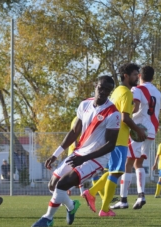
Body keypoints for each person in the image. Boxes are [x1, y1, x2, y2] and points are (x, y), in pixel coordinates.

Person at [32, 76, 120, 227]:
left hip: (96, 159)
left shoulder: (113, 113)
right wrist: (55, 154)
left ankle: (47, 219)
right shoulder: (84, 104)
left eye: (107, 90)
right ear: (95, 85)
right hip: (79, 153)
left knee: (63, 184)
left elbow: (110, 145)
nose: (104, 91)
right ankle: (72, 206)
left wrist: (85, 158)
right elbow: (74, 132)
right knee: (52, 185)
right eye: (101, 87)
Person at [83, 63, 146, 216]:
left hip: (112, 137)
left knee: (113, 171)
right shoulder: (126, 92)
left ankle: (95, 197)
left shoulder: (117, 91)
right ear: (126, 76)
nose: (137, 77)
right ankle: (100, 204)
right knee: (116, 172)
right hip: (119, 138)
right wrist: (138, 130)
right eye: (134, 74)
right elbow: (124, 117)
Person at [112, 65, 161, 210]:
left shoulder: (137, 90)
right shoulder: (157, 92)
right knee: (138, 164)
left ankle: (124, 199)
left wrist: (127, 114)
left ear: (140, 76)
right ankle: (141, 195)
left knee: (127, 164)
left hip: (138, 129)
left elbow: (136, 107)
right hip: (151, 130)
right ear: (152, 77)